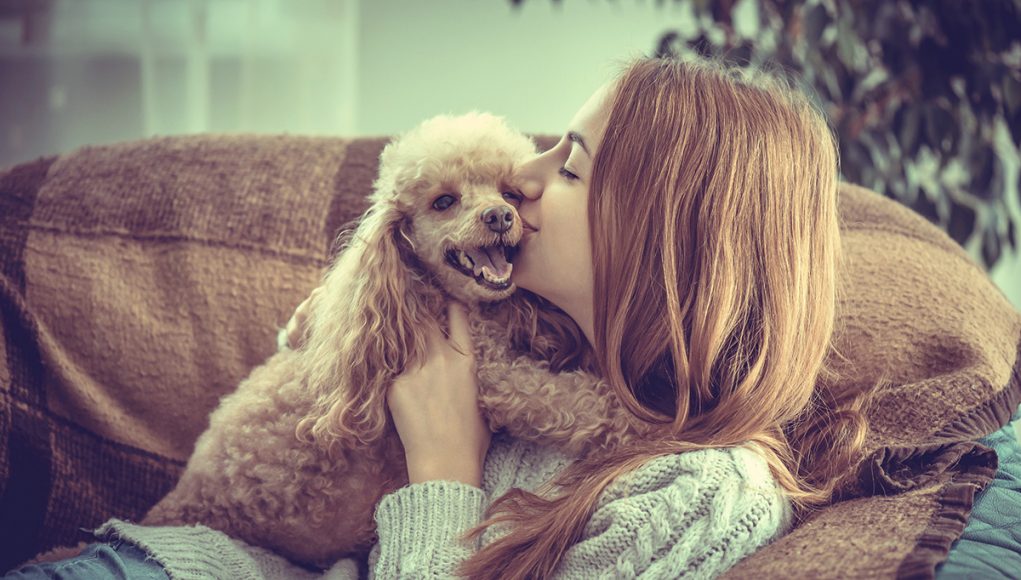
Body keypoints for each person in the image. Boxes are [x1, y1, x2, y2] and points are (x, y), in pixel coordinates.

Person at [4, 54, 874, 579]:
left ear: (668, 247)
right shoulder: (550, 340)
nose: (524, 178)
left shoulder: (693, 497)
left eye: (569, 168)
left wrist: (442, 469)